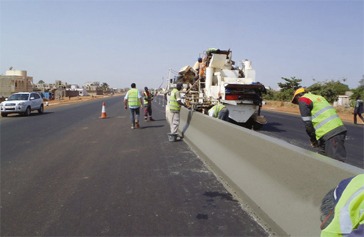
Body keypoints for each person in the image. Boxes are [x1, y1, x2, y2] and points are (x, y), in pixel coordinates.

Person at [291, 88, 347, 162]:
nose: (298, 103)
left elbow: (308, 124)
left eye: (296, 101)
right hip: (331, 131)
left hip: (331, 132)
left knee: (336, 162)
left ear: (298, 96)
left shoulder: (303, 100)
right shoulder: (319, 97)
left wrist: (313, 140)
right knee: (320, 159)